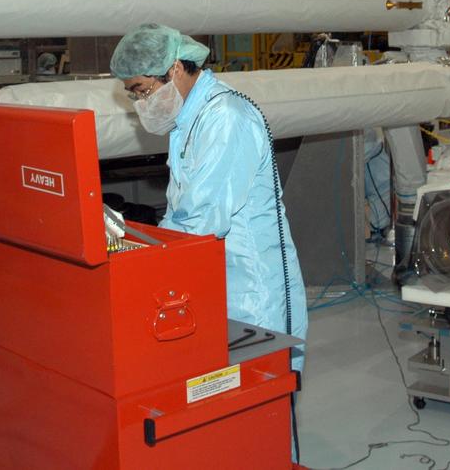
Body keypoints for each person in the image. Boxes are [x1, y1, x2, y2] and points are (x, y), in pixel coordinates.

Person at [110, 23, 308, 368]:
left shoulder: (225, 118)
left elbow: (201, 219)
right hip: (217, 276)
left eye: (143, 90)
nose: (142, 103)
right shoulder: (189, 120)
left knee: (262, 383)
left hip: (250, 287)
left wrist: (142, 259)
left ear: (174, 69)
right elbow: (181, 208)